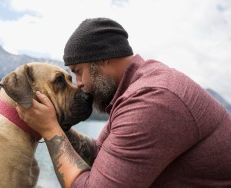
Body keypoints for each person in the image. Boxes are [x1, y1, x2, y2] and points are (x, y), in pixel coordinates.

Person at [16, 17, 231, 188]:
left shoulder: (152, 100)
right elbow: (100, 152)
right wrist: (56, 124)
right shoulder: (135, 88)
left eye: (78, 72)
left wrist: (50, 130)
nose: (79, 84)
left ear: (103, 59)